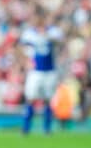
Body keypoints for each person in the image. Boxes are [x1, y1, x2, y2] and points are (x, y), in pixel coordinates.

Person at [18, 7, 63, 135]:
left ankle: (47, 128)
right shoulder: (30, 33)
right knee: (31, 97)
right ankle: (26, 128)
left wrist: (47, 36)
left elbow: (59, 42)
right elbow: (21, 48)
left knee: (48, 98)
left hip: (50, 70)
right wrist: (25, 61)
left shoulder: (53, 32)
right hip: (35, 71)